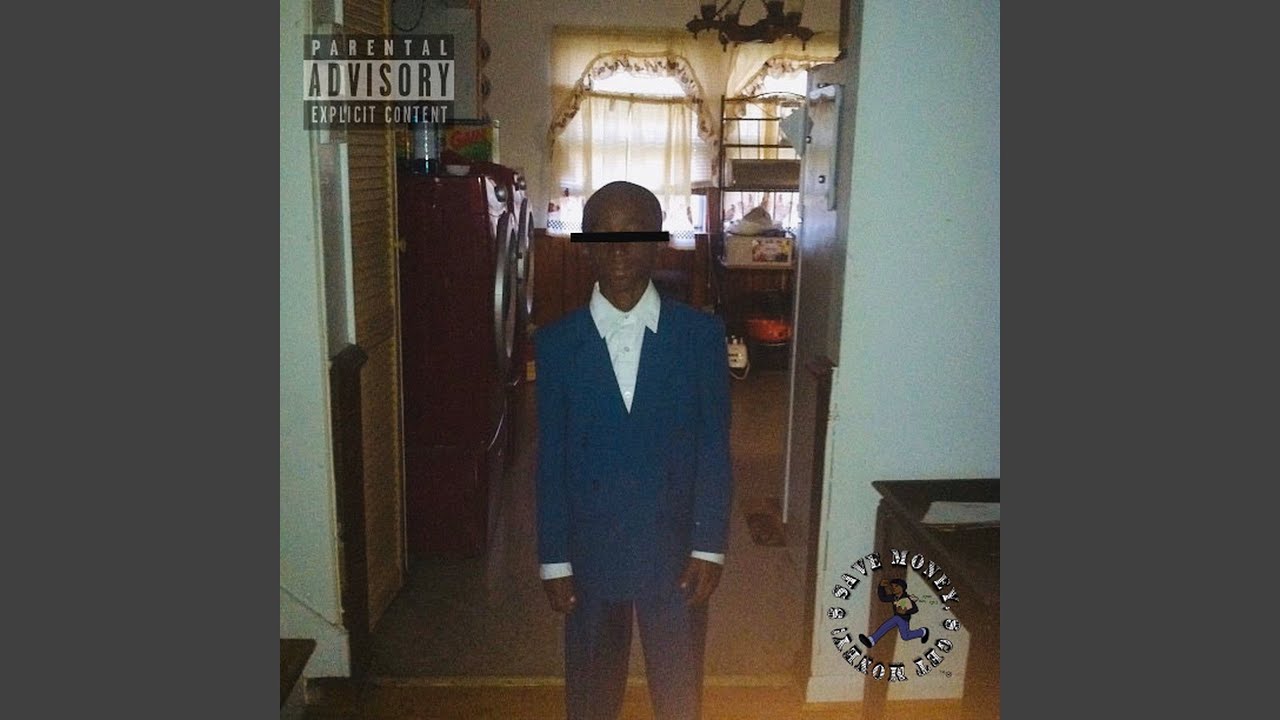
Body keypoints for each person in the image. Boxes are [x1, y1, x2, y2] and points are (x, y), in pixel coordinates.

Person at [534, 180, 733, 720]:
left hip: (676, 551)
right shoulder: (556, 345)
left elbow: (714, 449)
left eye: (634, 234)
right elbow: (550, 463)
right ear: (586, 245)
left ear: (658, 241)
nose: (618, 249)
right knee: (591, 691)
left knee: (679, 687)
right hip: (590, 552)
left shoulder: (700, 337)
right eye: (602, 234)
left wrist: (709, 545)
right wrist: (554, 559)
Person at [858, 578, 929, 648]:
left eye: (896, 586)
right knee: (904, 635)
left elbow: (915, 609)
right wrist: (881, 587)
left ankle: (872, 640)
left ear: (902, 587)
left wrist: (905, 612)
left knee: (899, 628)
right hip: (898, 618)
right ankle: (923, 632)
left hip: (904, 619)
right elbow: (883, 598)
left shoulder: (907, 598)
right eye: (892, 586)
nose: (893, 588)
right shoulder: (894, 597)